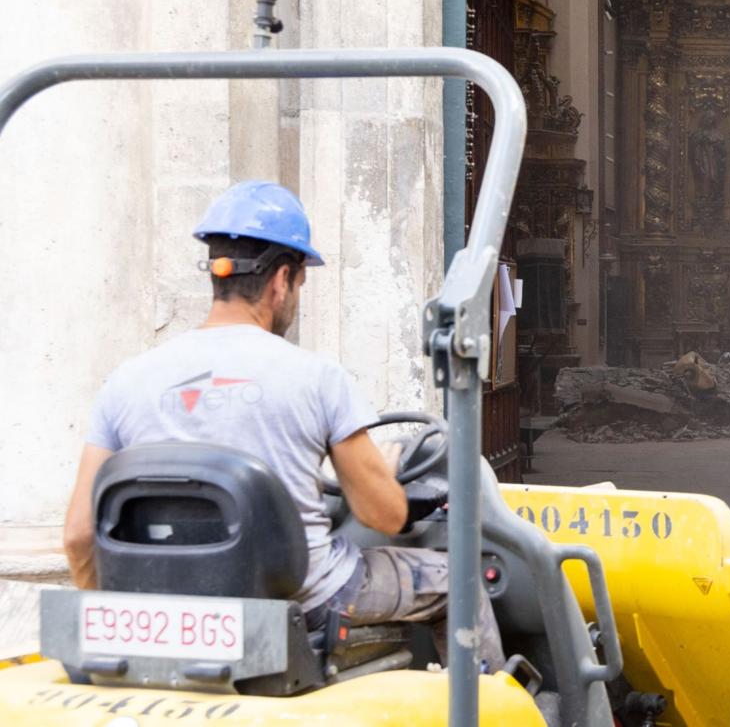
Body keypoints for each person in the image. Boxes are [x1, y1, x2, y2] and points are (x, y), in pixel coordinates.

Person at [62, 180, 505, 671]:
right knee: (457, 579)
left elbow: (80, 535)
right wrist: (388, 471)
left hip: (165, 603)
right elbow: (381, 515)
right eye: (299, 285)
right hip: (307, 595)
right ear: (281, 280)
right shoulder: (317, 379)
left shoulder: (125, 381)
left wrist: (122, 614)